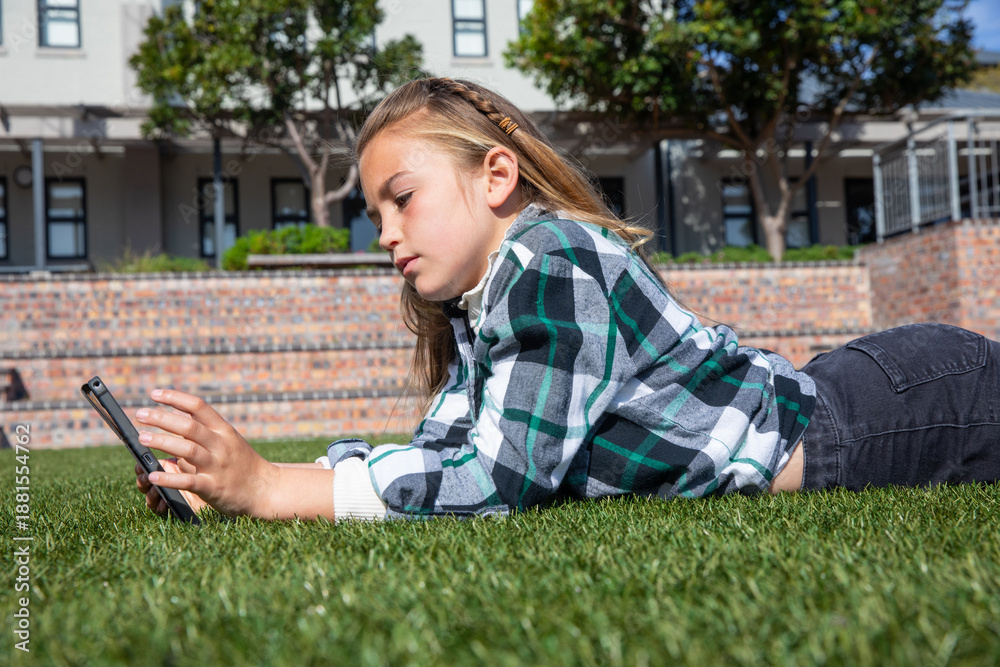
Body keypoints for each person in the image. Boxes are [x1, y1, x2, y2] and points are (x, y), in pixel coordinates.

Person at [135, 77, 1000, 522]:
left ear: (496, 176)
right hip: (866, 389)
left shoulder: (550, 259)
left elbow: (498, 478)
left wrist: (279, 488)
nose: (386, 232)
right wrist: (242, 481)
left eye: (403, 198)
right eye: (374, 214)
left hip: (898, 413)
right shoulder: (486, 297)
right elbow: (451, 448)